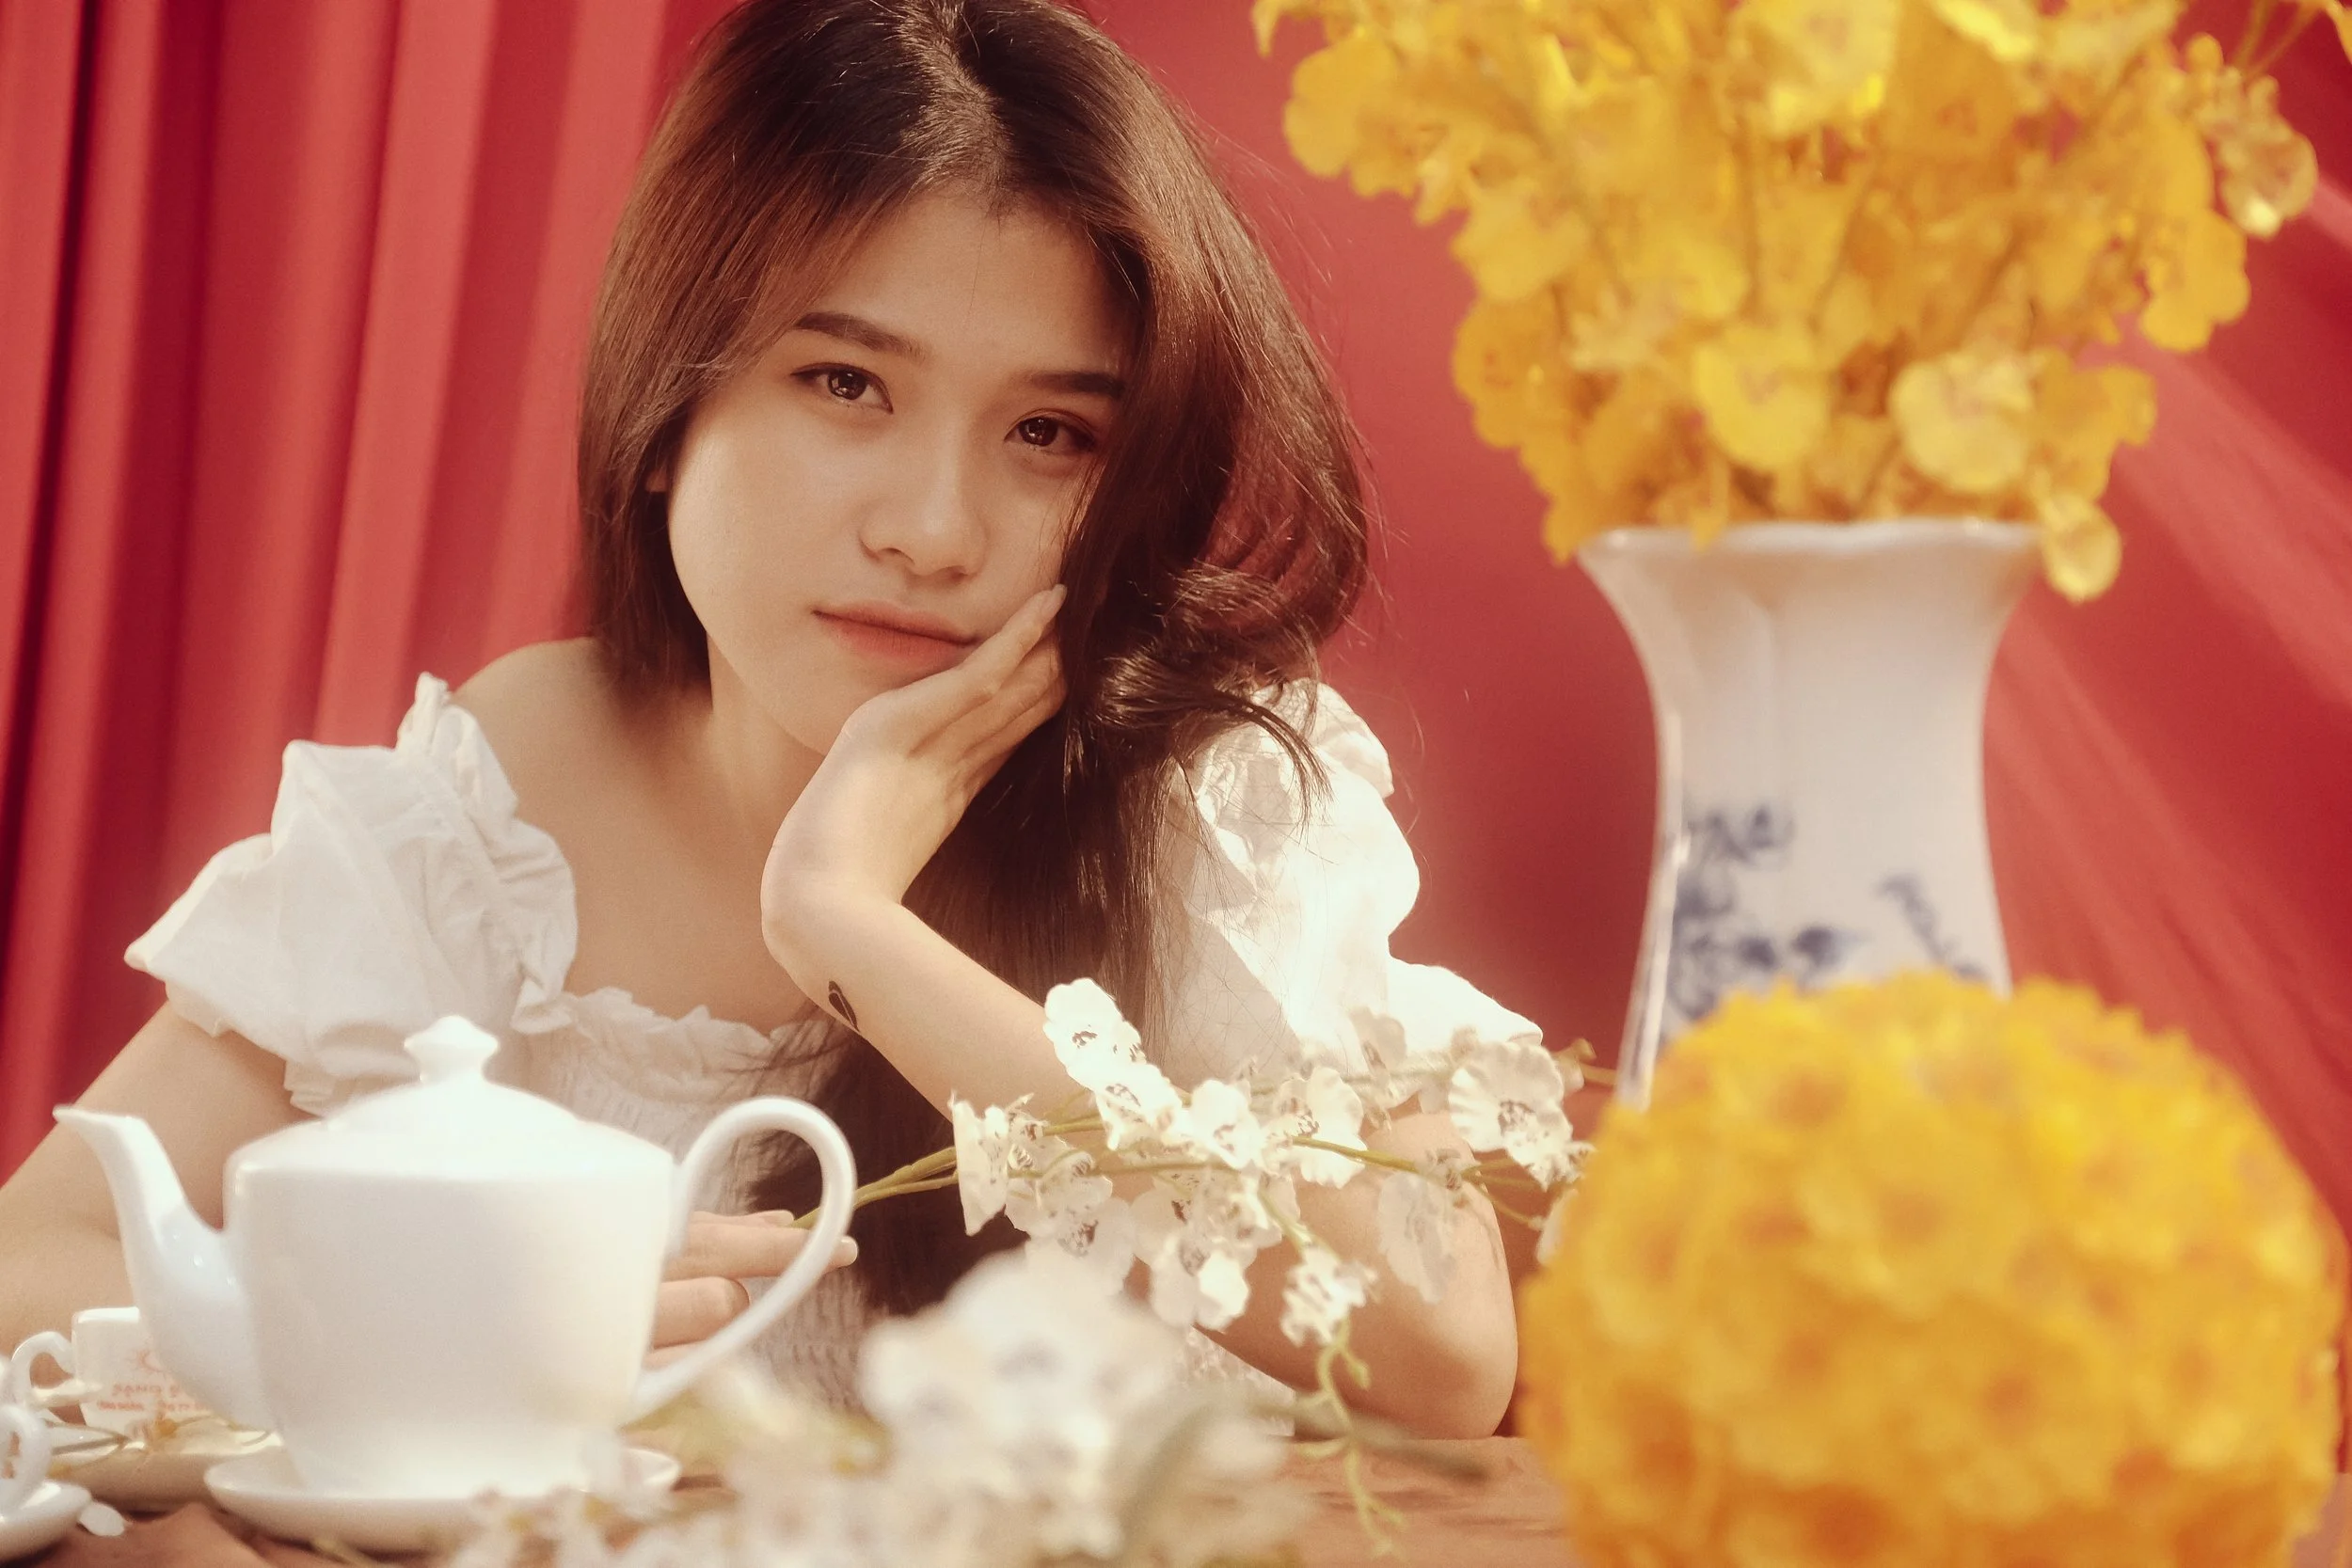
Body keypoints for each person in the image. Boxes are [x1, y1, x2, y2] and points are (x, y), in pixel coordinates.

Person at [0, 0, 1535, 1436]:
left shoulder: (1205, 800)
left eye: (1050, 433)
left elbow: (1446, 1354)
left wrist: (855, 933)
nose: (937, 530)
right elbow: (29, 1266)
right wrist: (415, 1336)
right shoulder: (505, 812)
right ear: (671, 410)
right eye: (847, 383)